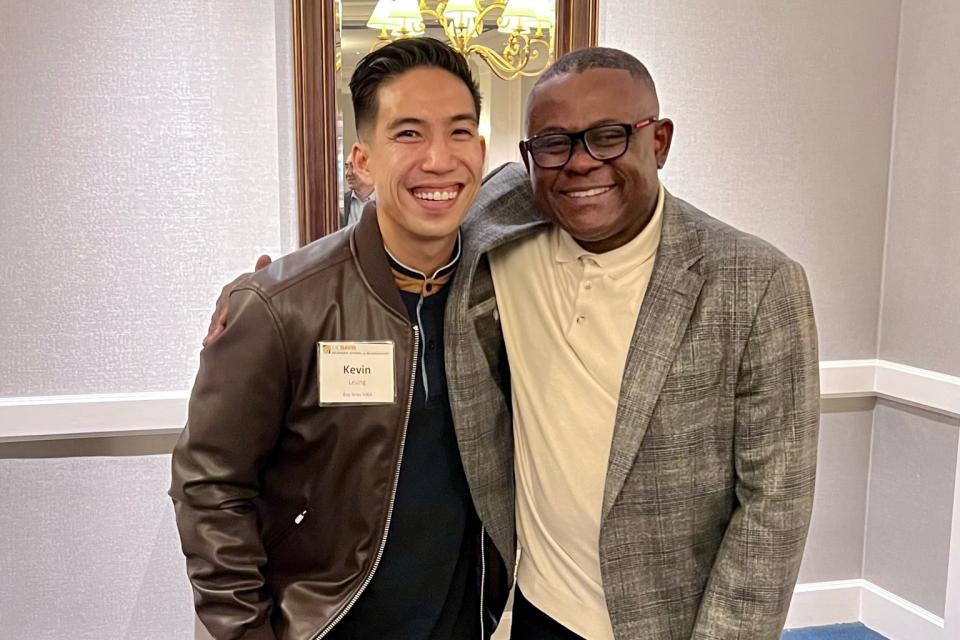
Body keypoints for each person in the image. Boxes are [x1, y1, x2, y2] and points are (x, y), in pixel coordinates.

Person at [208, 47, 820, 640]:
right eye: (554, 143)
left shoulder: (754, 283)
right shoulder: (500, 229)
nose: (581, 163)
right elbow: (393, 230)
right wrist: (272, 291)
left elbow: (775, 507)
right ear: (527, 158)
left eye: (609, 135)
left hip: (666, 623)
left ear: (657, 141)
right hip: (534, 612)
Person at [170, 38, 508, 640]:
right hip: (322, 625)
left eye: (459, 133)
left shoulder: (502, 291)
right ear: (363, 161)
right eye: (408, 134)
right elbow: (210, 485)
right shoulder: (283, 306)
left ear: (481, 152)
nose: (438, 159)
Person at [342, 158, 376, 228]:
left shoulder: (387, 202)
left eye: (353, 167)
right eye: (346, 167)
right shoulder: (340, 203)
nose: (348, 173)